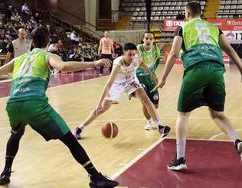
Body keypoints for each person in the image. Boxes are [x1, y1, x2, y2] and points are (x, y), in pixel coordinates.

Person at [0, 26, 118, 187]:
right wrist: (94, 63)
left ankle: (5, 173)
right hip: (35, 104)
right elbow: (63, 67)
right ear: (48, 41)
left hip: (13, 104)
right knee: (70, 139)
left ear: (32, 42)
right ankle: (95, 176)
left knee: (15, 134)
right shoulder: (48, 55)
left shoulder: (19, 59)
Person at [153, 2, 242, 171]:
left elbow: (173, 53)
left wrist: (163, 79)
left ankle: (180, 159)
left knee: (183, 114)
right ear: (201, 13)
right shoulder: (214, 28)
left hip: (196, 69)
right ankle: (237, 141)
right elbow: (230, 49)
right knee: (217, 114)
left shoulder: (183, 28)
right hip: (216, 71)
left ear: (187, 13)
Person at [73, 43, 170, 139]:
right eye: (129, 54)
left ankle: (160, 127)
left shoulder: (136, 58)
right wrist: (99, 103)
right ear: (124, 53)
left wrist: (153, 76)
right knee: (102, 108)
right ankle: (80, 128)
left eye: (133, 54)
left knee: (146, 99)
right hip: (117, 84)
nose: (132, 57)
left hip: (131, 81)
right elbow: (109, 84)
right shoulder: (118, 64)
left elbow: (143, 64)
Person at [137, 30, 161, 130]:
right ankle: (149, 121)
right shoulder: (139, 48)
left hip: (151, 78)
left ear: (153, 40)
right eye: (146, 38)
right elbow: (141, 63)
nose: (148, 40)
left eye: (151, 39)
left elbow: (158, 60)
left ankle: (152, 117)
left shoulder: (156, 49)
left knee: (155, 104)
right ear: (143, 39)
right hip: (139, 76)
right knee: (145, 101)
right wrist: (152, 75)